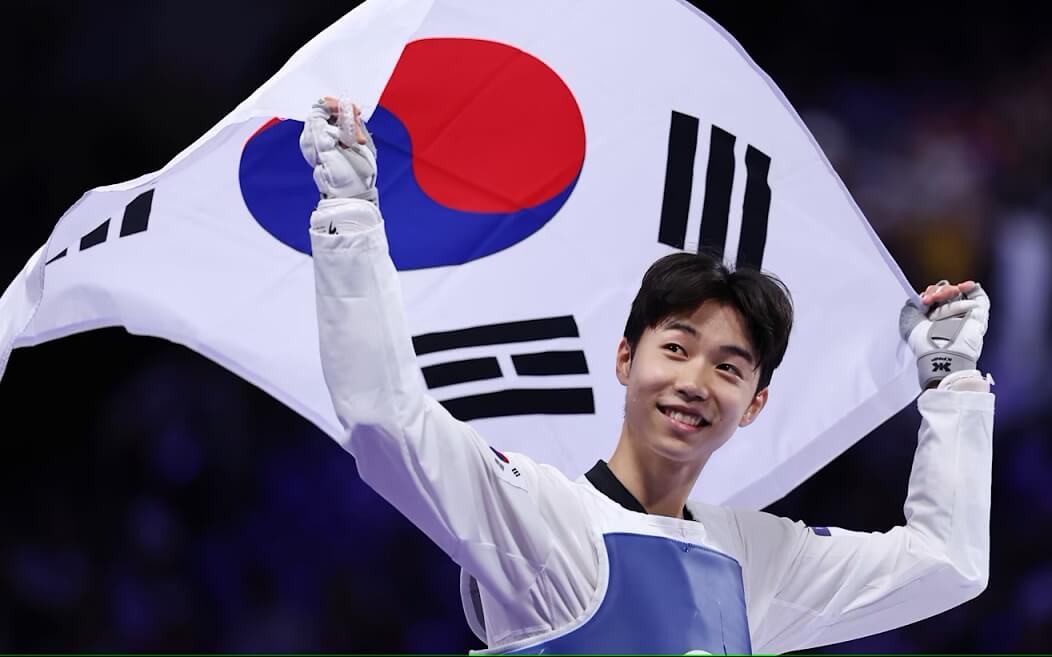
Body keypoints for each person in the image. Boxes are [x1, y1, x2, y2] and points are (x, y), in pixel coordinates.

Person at [301, 96, 995, 654]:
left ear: (754, 403)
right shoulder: (545, 522)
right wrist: (348, 212)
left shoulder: (755, 562)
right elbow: (385, 417)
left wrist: (950, 381)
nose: (695, 381)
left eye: (728, 367)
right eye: (677, 348)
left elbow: (946, 564)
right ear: (626, 359)